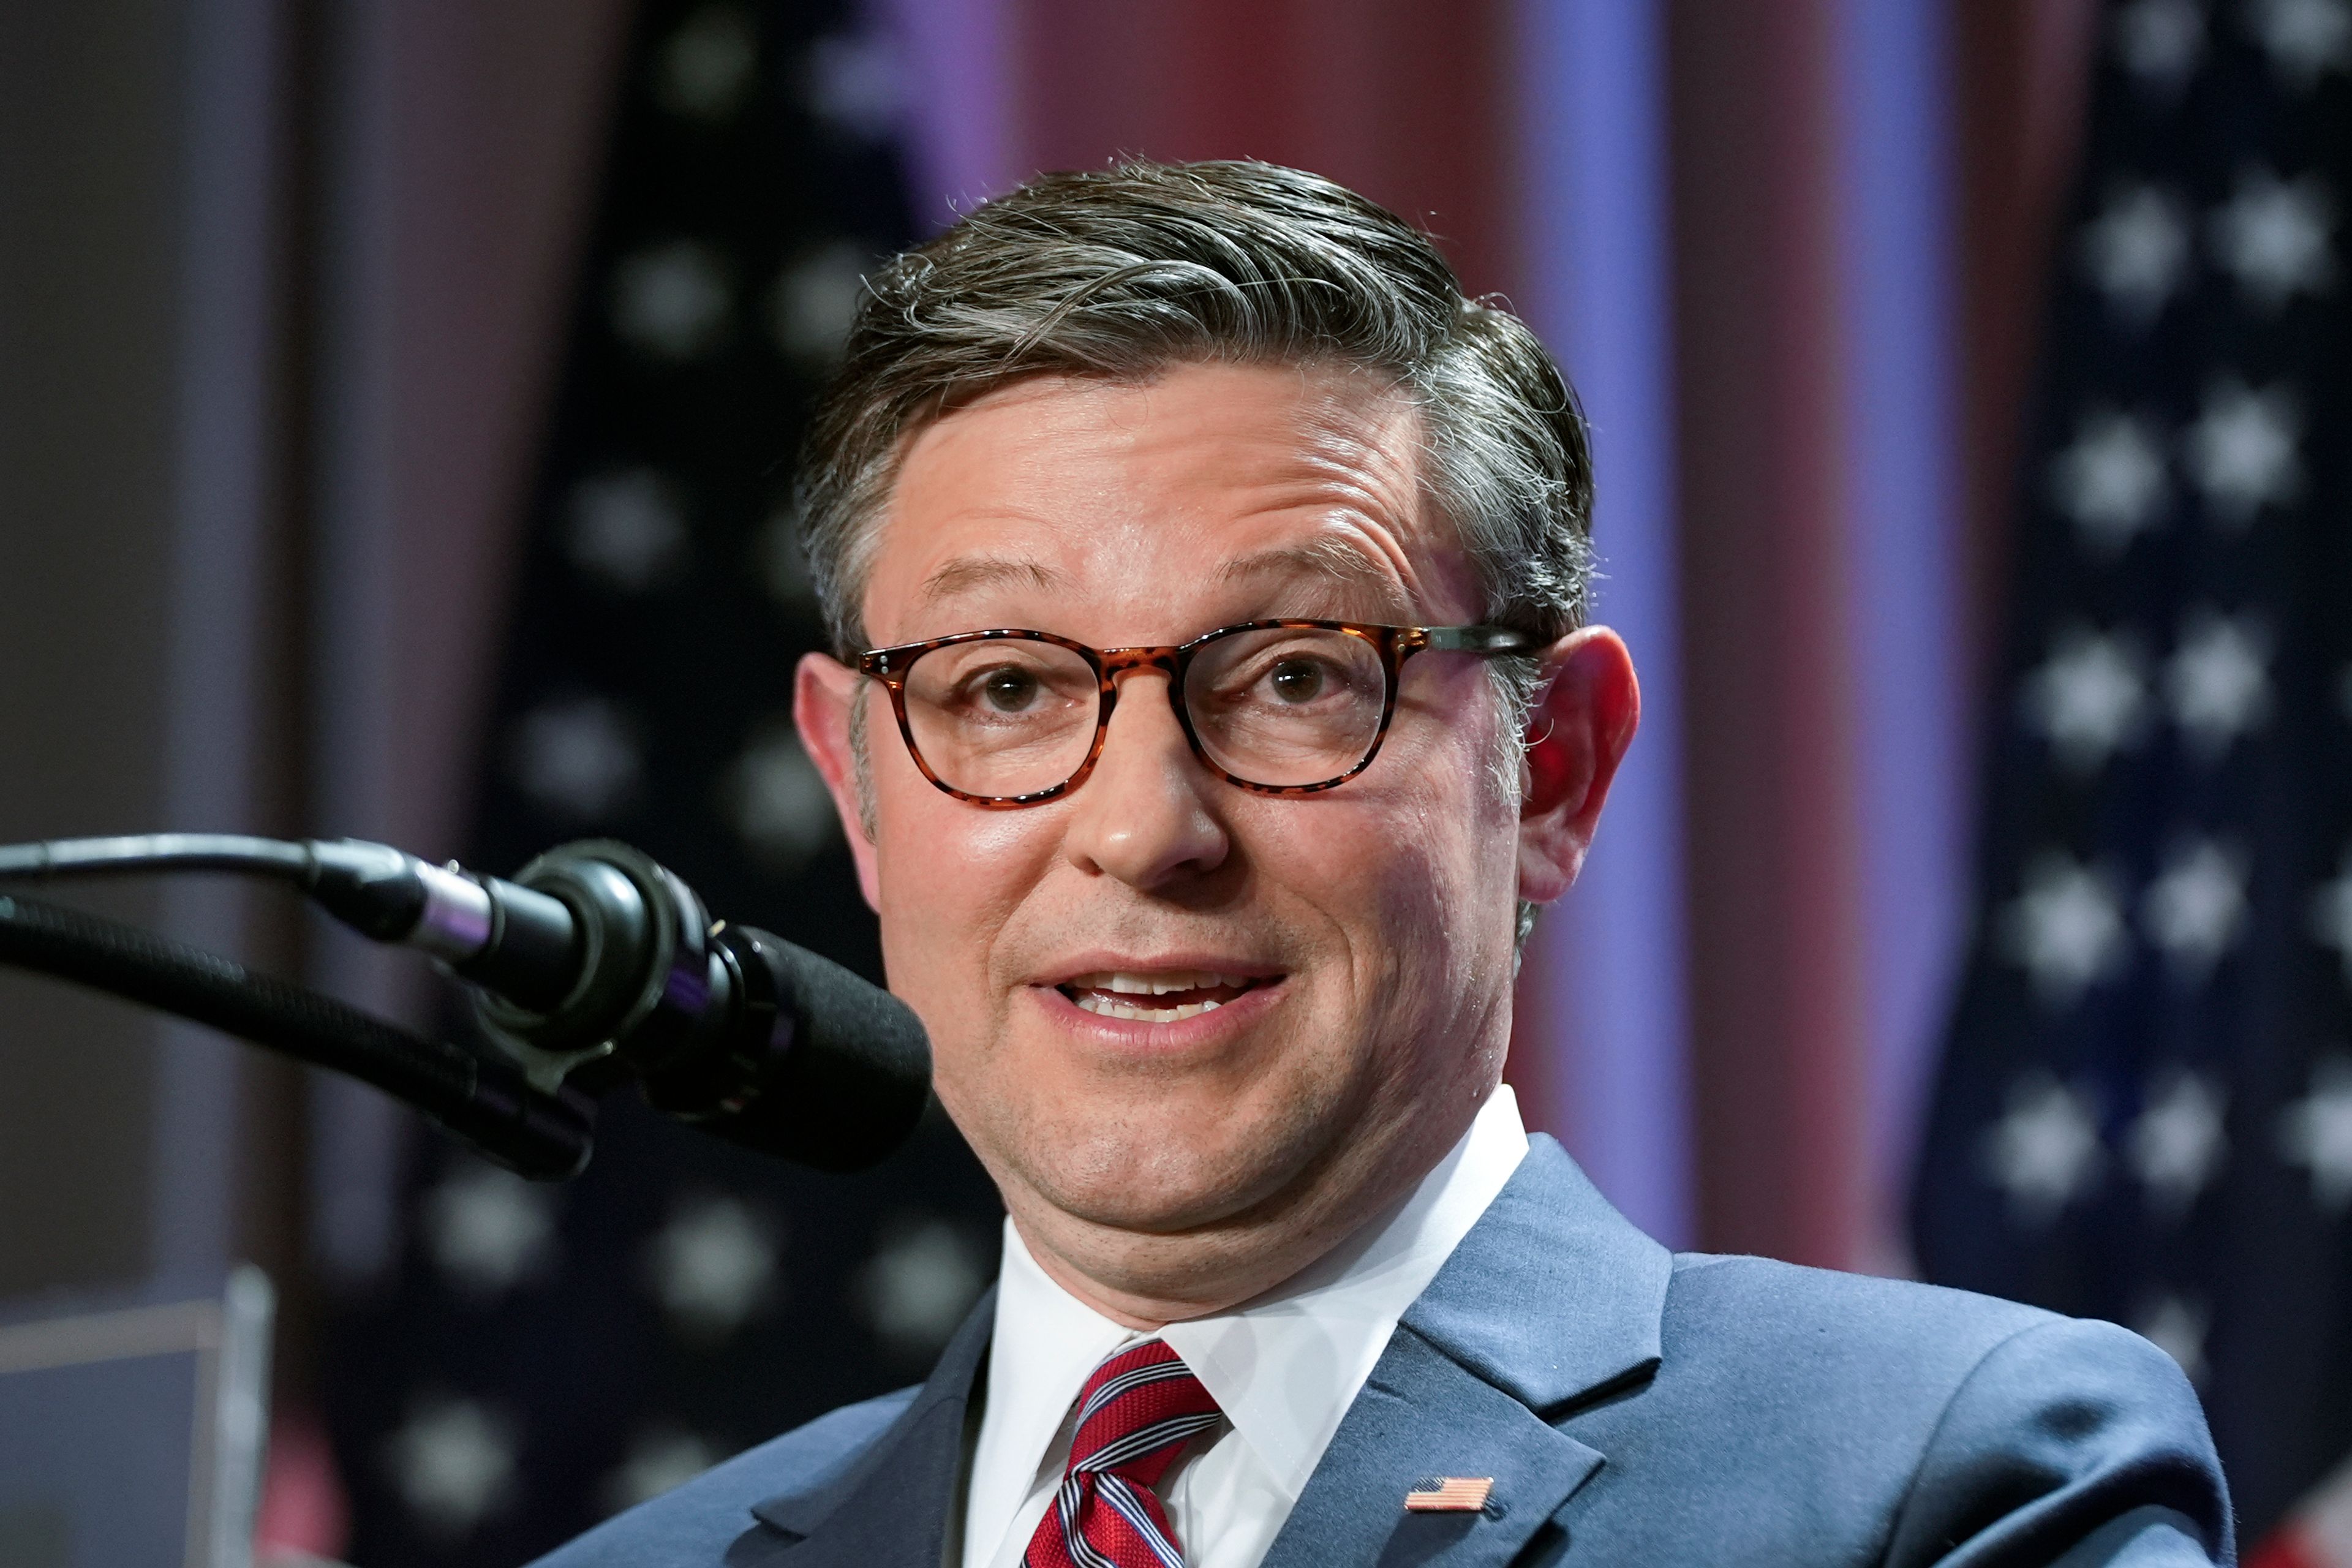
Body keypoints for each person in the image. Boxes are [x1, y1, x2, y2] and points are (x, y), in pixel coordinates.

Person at [531, 160, 2230, 1568]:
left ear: (1548, 769)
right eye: (1006, 688)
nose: (1142, 831)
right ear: (860, 783)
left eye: (1293, 679)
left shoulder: (1949, 1485)